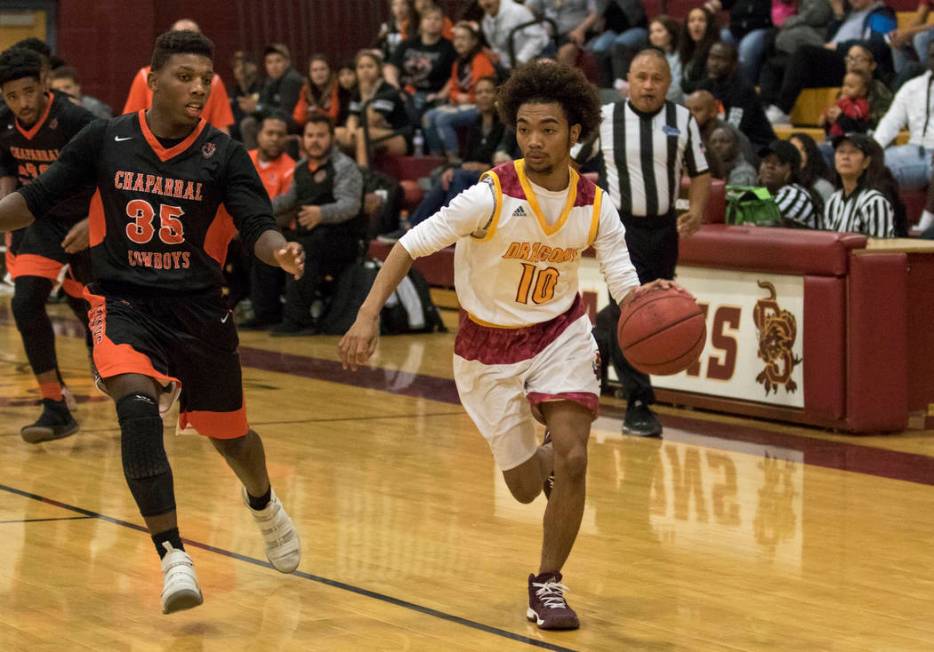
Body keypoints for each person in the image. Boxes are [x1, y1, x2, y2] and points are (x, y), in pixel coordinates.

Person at [339, 60, 670, 631]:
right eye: (524, 128)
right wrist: (366, 315)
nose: (534, 140)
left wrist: (644, 301)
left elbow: (620, 276)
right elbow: (407, 247)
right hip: (485, 347)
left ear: (575, 134)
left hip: (560, 333)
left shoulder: (595, 203)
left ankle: (547, 583)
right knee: (523, 487)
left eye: (547, 128)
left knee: (574, 455)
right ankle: (540, 460)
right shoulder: (489, 196)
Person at [0, 30, 305, 614]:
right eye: (185, 77)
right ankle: (173, 555)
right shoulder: (106, 137)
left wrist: (279, 251)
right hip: (122, 303)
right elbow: (36, 198)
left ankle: (264, 503)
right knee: (136, 409)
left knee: (232, 439)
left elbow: (256, 224)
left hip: (197, 310)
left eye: (205, 79)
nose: (198, 88)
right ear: (153, 79)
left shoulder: (225, 153)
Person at [596, 48, 710, 437]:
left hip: (663, 230)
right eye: (640, 77)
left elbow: (701, 172)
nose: (647, 85)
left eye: (656, 78)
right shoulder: (605, 118)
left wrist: (695, 210)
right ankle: (638, 402)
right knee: (633, 311)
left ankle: (596, 345)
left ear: (668, 82)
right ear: (628, 79)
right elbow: (573, 164)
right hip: (619, 228)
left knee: (645, 312)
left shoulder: (682, 119)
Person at [0, 47, 96, 443]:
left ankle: (133, 390)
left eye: (28, 91)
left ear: (44, 83)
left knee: (93, 313)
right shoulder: (4, 124)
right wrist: (6, 224)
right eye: (11, 96)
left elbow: (116, 174)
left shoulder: (77, 119)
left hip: (90, 220)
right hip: (41, 222)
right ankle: (55, 406)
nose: (22, 103)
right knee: (24, 302)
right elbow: (8, 173)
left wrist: (95, 222)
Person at [272, 115, 364, 335]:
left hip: (342, 239)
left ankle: (300, 322)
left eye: (321, 136)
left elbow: (351, 205)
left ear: (332, 138)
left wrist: (322, 213)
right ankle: (265, 313)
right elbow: (288, 200)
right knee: (272, 242)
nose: (314, 141)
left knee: (302, 249)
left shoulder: (344, 167)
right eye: (310, 135)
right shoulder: (302, 167)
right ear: (302, 139)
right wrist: (256, 208)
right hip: (309, 235)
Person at [760, 0, 896, 124]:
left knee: (804, 52)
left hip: (852, 64)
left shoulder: (882, 14)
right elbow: (830, 37)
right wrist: (839, 15)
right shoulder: (850, 14)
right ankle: (766, 108)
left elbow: (879, 44)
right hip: (831, 58)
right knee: (773, 65)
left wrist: (840, 46)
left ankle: (782, 110)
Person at [122, 18, 234, 133]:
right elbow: (130, 122)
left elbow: (222, 128)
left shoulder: (214, 81)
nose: (199, 89)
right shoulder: (144, 76)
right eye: (184, 77)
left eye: (193, 40)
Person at [242, 112, 296, 330]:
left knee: (262, 249)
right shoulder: (245, 159)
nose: (274, 138)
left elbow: (287, 213)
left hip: (275, 230)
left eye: (280, 134)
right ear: (259, 135)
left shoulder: (291, 167)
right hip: (242, 226)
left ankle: (265, 313)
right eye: (270, 133)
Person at [873, 38, 934, 213]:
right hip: (915, 151)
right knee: (869, 165)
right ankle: (885, 221)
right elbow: (891, 121)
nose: (933, 60)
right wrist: (872, 151)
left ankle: (925, 227)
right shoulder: (912, 87)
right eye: (931, 56)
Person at [421, 20, 497, 159]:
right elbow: (453, 89)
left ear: (474, 41)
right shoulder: (458, 63)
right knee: (428, 116)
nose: (458, 42)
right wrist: (458, 97)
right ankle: (437, 158)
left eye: (463, 38)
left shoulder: (481, 60)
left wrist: (468, 98)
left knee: (443, 118)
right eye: (456, 38)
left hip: (478, 106)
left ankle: (453, 159)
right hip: (461, 104)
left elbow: (485, 91)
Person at [335, 50, 412, 168]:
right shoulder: (358, 90)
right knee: (336, 133)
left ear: (379, 69)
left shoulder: (387, 90)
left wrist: (366, 95)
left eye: (370, 66)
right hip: (372, 134)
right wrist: (351, 131)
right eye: (361, 67)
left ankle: (364, 177)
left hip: (398, 136)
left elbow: (372, 121)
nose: (365, 71)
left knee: (363, 133)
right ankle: (339, 175)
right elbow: (352, 116)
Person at [698, 41, 776, 149]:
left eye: (720, 59)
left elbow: (733, 130)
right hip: (722, 142)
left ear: (734, 64)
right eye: (711, 57)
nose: (714, 63)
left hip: (755, 145)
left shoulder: (743, 89)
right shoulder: (705, 86)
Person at [385, 4, 457, 116]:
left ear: (443, 23)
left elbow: (455, 75)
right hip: (405, 92)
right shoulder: (407, 44)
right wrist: (396, 89)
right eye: (428, 18)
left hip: (432, 95)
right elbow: (390, 67)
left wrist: (442, 95)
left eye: (437, 19)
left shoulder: (449, 48)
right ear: (421, 22)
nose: (432, 22)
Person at [825, 132, 896, 236]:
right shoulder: (833, 201)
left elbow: (880, 249)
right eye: (841, 151)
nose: (845, 157)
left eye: (853, 152)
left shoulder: (874, 202)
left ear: (866, 162)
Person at [238, 43, 305, 149]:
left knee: (249, 125)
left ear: (287, 62)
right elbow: (264, 105)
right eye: (269, 62)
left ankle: (254, 164)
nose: (274, 66)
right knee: (247, 122)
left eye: (278, 61)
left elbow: (285, 115)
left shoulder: (291, 80)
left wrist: (257, 108)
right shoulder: (270, 81)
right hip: (275, 120)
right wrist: (251, 108)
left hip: (293, 125)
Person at [704, 0, 773, 85]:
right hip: (735, 29)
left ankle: (746, 88)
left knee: (747, 47)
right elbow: (723, 3)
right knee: (718, 38)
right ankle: (718, 86)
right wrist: (714, 4)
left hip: (761, 29)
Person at [758, 140, 821, 228]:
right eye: (766, 161)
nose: (769, 166)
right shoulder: (763, 192)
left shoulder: (796, 195)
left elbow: (762, 221)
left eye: (778, 163)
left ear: (791, 171)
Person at [479, 0, 550, 70]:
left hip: (540, 54)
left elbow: (537, 37)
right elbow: (496, 47)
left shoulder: (518, 11)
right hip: (512, 64)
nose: (485, 2)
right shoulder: (485, 22)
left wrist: (521, 59)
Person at [292, 54, 352, 128]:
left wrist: (316, 112)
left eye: (323, 69)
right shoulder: (306, 90)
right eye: (314, 70)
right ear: (309, 74)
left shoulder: (339, 88)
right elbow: (298, 118)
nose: (319, 73)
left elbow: (334, 118)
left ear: (329, 71)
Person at [677, 7, 719, 95]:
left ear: (709, 25)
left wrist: (686, 86)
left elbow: (708, 84)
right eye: (691, 20)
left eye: (701, 20)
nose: (696, 24)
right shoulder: (687, 50)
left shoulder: (715, 50)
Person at [820, 70, 872, 138]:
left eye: (850, 86)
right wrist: (825, 115)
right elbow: (832, 110)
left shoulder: (862, 104)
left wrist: (845, 102)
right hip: (833, 135)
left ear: (862, 91)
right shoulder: (842, 101)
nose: (845, 89)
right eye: (844, 85)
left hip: (849, 140)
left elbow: (853, 115)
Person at [789, 131, 835, 203]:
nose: (798, 154)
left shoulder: (822, 188)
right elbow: (768, 211)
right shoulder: (776, 183)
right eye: (793, 149)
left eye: (803, 150)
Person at [647, 15, 683, 104]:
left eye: (659, 31)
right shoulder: (662, 56)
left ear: (671, 34)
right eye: (652, 32)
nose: (654, 35)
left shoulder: (681, 55)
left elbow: (678, 87)